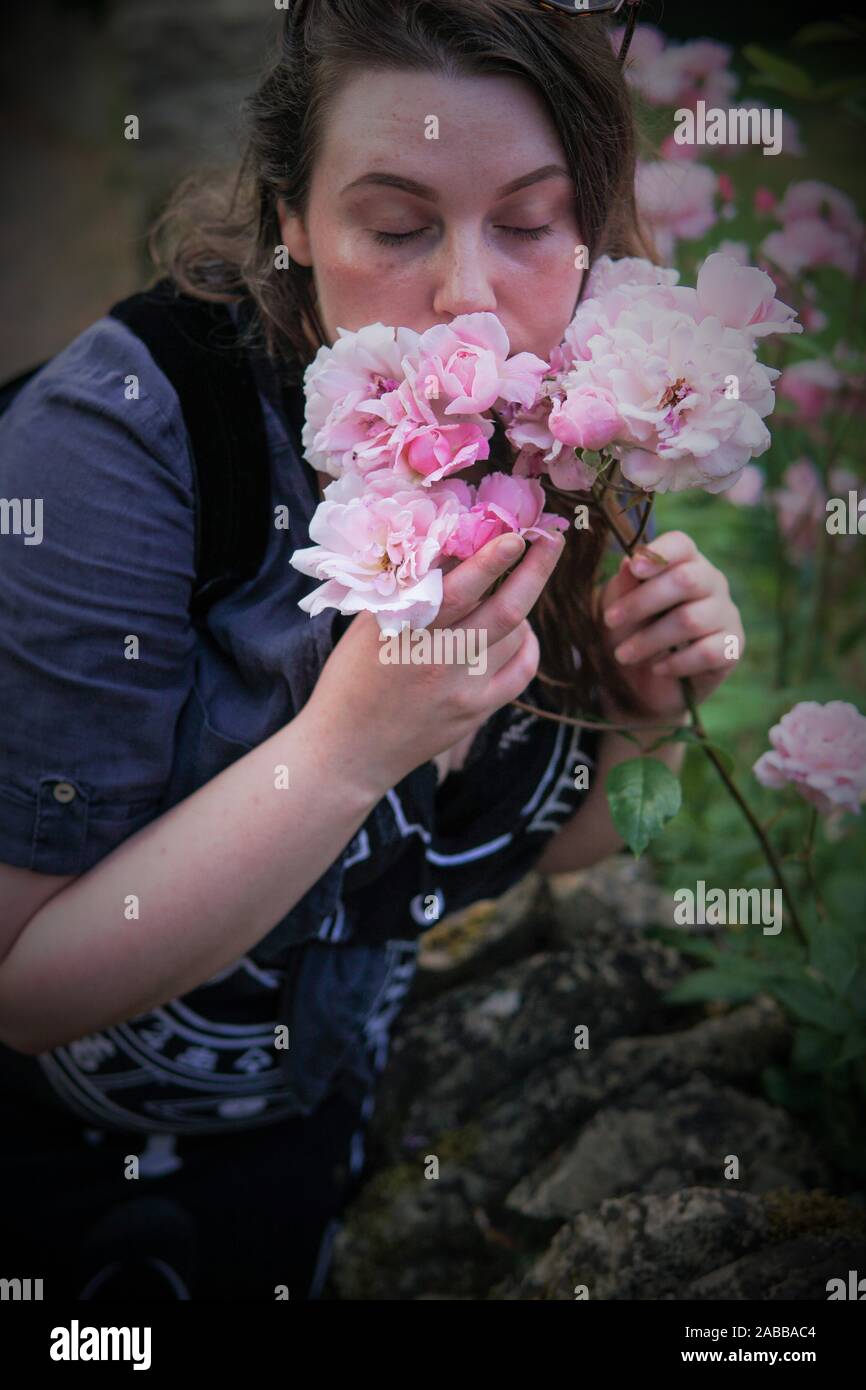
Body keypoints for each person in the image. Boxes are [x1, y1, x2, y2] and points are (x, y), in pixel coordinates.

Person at [0, 0, 744, 1301]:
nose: (467, 294)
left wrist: (633, 717)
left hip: (321, 1143)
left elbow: (474, 849)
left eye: (525, 222)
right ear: (291, 218)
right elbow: (23, 985)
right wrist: (344, 749)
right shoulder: (117, 443)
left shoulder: (574, 418)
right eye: (395, 227)